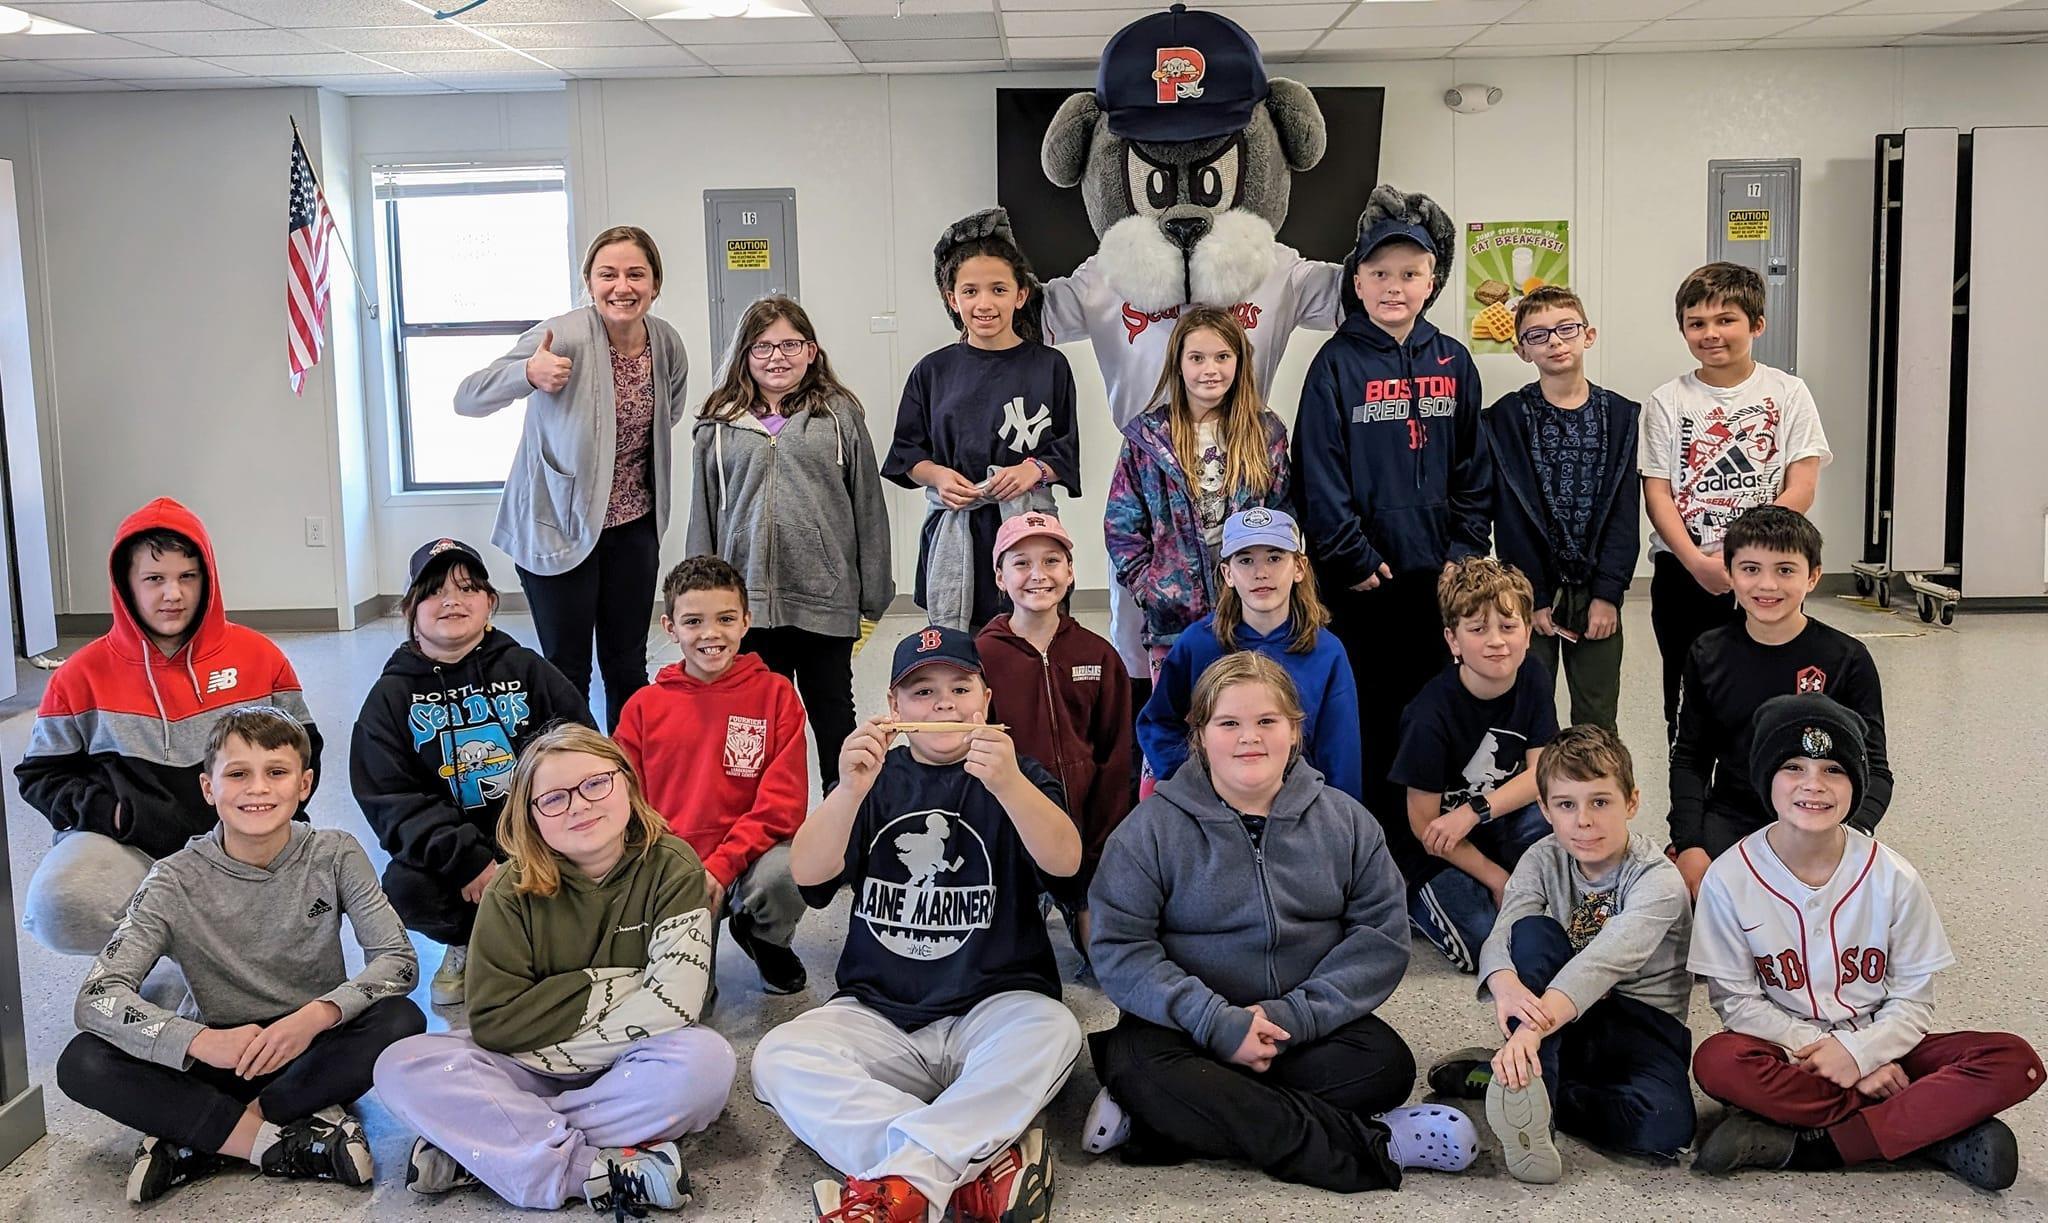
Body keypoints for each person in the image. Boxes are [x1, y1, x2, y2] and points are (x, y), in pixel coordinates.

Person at [1087, 652, 1478, 1192]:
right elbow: (1121, 949)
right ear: (1199, 734)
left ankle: (1166, 1121)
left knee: (1385, 1065)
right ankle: (1376, 1145)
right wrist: (1218, 1023)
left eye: (1267, 721)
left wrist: (1288, 1015)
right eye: (1229, 723)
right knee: (1138, 1064)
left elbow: (1380, 938)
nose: (1250, 738)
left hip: (1300, 1027)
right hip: (1185, 1028)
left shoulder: (1346, 822)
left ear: (1295, 731)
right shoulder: (1149, 831)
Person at [752, 626, 1078, 1223]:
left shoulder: (1018, 773)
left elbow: (1067, 866)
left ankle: (896, 1186)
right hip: (879, 1010)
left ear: (985, 701)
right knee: (778, 1056)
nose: (945, 703)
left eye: (960, 687)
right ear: (894, 709)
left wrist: (1008, 784)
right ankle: (957, 1173)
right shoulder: (874, 780)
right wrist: (848, 791)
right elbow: (810, 878)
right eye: (922, 693)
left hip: (995, 1004)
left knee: (1055, 1031)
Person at [55, 707, 423, 1204]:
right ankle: (273, 1140)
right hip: (216, 1051)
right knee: (82, 1061)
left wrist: (316, 1016)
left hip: (308, 1050)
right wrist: (200, 1041)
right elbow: (97, 996)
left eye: (276, 772)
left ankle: (200, 1138)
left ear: (304, 784)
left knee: (401, 1018)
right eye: (237, 774)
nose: (258, 789)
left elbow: (397, 959)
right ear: (209, 788)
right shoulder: (172, 878)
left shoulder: (336, 853)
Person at [1689, 694, 2043, 1191]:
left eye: (1834, 769)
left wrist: (1863, 1054)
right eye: (1792, 766)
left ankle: (1812, 1147)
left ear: (1856, 784)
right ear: (1765, 778)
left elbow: (1913, 1002)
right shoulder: (1729, 878)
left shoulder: (1893, 876)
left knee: (2014, 1061)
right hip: (1788, 1054)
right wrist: (1833, 1059)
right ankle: (1933, 1130)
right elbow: (1736, 1003)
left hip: (1888, 1047)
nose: (1813, 784)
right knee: (1718, 1062)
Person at [375, 724, 733, 1215]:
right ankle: (592, 1169)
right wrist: (619, 984)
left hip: (633, 1061)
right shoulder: (511, 887)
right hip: (528, 1064)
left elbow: (677, 1003)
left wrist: (555, 998)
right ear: (531, 817)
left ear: (626, 783)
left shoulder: (673, 865)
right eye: (555, 798)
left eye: (595, 784)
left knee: (707, 1065)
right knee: (400, 1067)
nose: (580, 806)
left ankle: (487, 1146)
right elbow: (496, 1021)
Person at [17, 497, 322, 958]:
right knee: (63, 905)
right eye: (155, 579)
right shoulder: (79, 675)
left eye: (187, 577)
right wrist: (117, 814)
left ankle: (208, 966)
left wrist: (256, 827)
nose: (172, 594)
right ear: (127, 586)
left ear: (208, 580)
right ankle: (157, 970)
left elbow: (304, 755)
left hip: (244, 846)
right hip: (129, 848)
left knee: (321, 894)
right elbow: (41, 776)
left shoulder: (262, 658)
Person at [1293, 190, 1491, 837]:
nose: (1394, 287)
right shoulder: (1333, 365)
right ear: (1357, 281)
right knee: (1370, 713)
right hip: (1364, 581)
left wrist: (1463, 555)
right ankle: (1372, 840)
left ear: (1431, 281)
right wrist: (1351, 554)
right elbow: (1318, 475)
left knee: (1433, 708)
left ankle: (1430, 835)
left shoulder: (1454, 362)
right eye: (1379, 274)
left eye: (1409, 274)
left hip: (1438, 579)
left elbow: (1472, 470)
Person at [1430, 725, 1694, 1184]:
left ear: (1631, 802)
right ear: (1545, 809)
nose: (1583, 820)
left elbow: (1604, 961)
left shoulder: (1659, 880)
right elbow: (1503, 932)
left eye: (1600, 802)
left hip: (1642, 1023)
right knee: (1531, 934)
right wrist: (1503, 982)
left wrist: (1529, 1030)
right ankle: (1535, 1109)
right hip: (1563, 1016)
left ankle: (1516, 1080)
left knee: (1665, 1128)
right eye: (1566, 805)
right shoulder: (1541, 857)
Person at [454, 224, 689, 729]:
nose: (621, 286)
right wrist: (526, 375)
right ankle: (573, 775)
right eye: (608, 274)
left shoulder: (665, 343)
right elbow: (467, 397)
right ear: (589, 281)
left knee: (627, 665)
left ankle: (627, 775)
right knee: (567, 669)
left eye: (635, 274)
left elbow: (668, 414)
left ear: (655, 284)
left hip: (633, 526)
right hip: (556, 523)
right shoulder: (562, 334)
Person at [352, 537, 594, 1008]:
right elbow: (391, 798)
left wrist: (540, 840)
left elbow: (581, 748)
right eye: (435, 591)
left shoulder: (529, 670)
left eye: (467, 589)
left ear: (490, 603)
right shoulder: (390, 699)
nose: (452, 601)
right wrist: (467, 860)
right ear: (411, 610)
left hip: (537, 836)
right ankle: (470, 943)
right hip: (459, 859)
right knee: (405, 887)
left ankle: (544, 942)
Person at [687, 294, 894, 791]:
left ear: (811, 351)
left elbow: (868, 506)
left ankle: (844, 823)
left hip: (826, 599)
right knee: (757, 723)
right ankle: (767, 831)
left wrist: (873, 595)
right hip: (749, 604)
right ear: (744, 355)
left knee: (831, 713)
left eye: (789, 344)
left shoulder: (840, 416)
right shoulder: (718, 423)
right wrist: (699, 601)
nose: (776, 357)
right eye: (762, 347)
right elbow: (703, 515)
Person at [1641, 261, 1831, 735]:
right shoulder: (1667, 401)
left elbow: (1801, 484)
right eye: (1697, 323)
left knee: (1769, 680)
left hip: (1766, 570)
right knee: (1688, 687)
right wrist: (1698, 562)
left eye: (1726, 320)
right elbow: (1658, 492)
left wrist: (1747, 557)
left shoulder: (1788, 393)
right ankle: (1691, 781)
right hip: (1687, 570)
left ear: (1757, 325)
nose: (1711, 334)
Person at [1668, 506, 1891, 898]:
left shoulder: (1847, 659)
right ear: (1730, 572)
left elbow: (1876, 771)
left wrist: (1853, 836)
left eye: (1785, 570)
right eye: (1751, 569)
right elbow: (1690, 759)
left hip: (1818, 816)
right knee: (1706, 909)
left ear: (1813, 577)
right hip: (1733, 813)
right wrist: (1690, 844)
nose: (1767, 585)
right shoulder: (1707, 653)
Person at [616, 555, 809, 996]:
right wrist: (678, 874)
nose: (710, 634)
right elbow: (626, 806)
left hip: (748, 859)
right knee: (690, 1009)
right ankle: (689, 956)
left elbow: (784, 804)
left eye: (725, 619)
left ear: (746, 621)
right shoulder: (643, 708)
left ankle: (764, 938)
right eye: (693, 621)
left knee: (791, 870)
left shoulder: (776, 694)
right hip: (671, 866)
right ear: (670, 628)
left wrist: (721, 867)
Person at [885, 222, 1079, 631]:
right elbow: (907, 453)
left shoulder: (1049, 366)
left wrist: (1034, 470)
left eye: (999, 289)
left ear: (1021, 295)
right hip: (957, 529)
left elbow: (1065, 448)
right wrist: (938, 476)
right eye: (970, 291)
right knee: (962, 651)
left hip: (1027, 527)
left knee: (1033, 638)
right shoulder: (932, 371)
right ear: (952, 299)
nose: (984, 303)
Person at [1103, 305, 1292, 694]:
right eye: (1197, 358)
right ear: (1179, 363)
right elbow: (1121, 524)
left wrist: (1271, 580)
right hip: (1174, 621)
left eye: (1223, 357)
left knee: (1245, 717)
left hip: (1250, 614)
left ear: (1240, 361)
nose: (1211, 369)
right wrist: (1150, 587)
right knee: (1178, 725)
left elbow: (1283, 513)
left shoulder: (1264, 432)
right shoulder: (1149, 437)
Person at [976, 511, 1135, 958]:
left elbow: (1116, 754)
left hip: (1086, 838)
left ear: (1070, 572)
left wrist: (1102, 845)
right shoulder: (980, 658)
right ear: (1000, 578)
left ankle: (1080, 902)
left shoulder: (1098, 655)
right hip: (1013, 836)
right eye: (1021, 563)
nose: (1038, 575)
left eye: (1051, 561)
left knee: (1106, 967)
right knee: (1006, 966)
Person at [1483, 286, 1641, 731]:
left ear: (1587, 336)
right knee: (1528, 706)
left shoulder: (1622, 416)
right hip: (1532, 587)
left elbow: (1624, 513)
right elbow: (1509, 516)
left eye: (1566, 329)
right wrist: (1530, 593)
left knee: (1596, 712)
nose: (1554, 341)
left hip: (1596, 585)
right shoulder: (1505, 419)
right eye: (1538, 335)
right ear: (1521, 350)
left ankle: (1591, 794)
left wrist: (1609, 593)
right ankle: (1532, 797)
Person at [1391, 558, 1558, 974]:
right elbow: (1424, 826)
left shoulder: (1533, 675)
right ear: (1453, 640)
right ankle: (1416, 904)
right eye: (1478, 629)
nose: (1497, 641)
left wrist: (1476, 810)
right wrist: (1498, 879)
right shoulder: (1428, 715)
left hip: (1491, 820)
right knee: (1483, 948)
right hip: (1436, 846)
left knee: (1562, 816)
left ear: (1526, 630)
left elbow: (1543, 772)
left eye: (1508, 626)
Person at [1136, 507, 1362, 801]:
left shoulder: (1327, 651)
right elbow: (1158, 723)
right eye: (1245, 560)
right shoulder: (1197, 643)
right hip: (1214, 807)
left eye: (1274, 557)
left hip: (1298, 809)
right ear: (1228, 574)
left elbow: (1341, 753)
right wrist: (1193, 785)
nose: (1261, 572)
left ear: (1299, 568)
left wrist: (1338, 821)